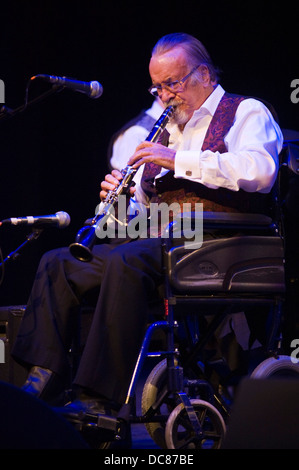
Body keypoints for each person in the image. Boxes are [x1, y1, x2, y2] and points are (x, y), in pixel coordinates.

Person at [11, 33, 283, 420]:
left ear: (203, 74)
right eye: (157, 86)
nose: (165, 95)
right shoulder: (169, 130)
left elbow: (260, 172)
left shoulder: (246, 112)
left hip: (223, 241)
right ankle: (44, 380)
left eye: (172, 83)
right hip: (166, 243)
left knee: (128, 260)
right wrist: (118, 205)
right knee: (60, 263)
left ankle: (97, 398)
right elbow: (143, 214)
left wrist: (177, 158)